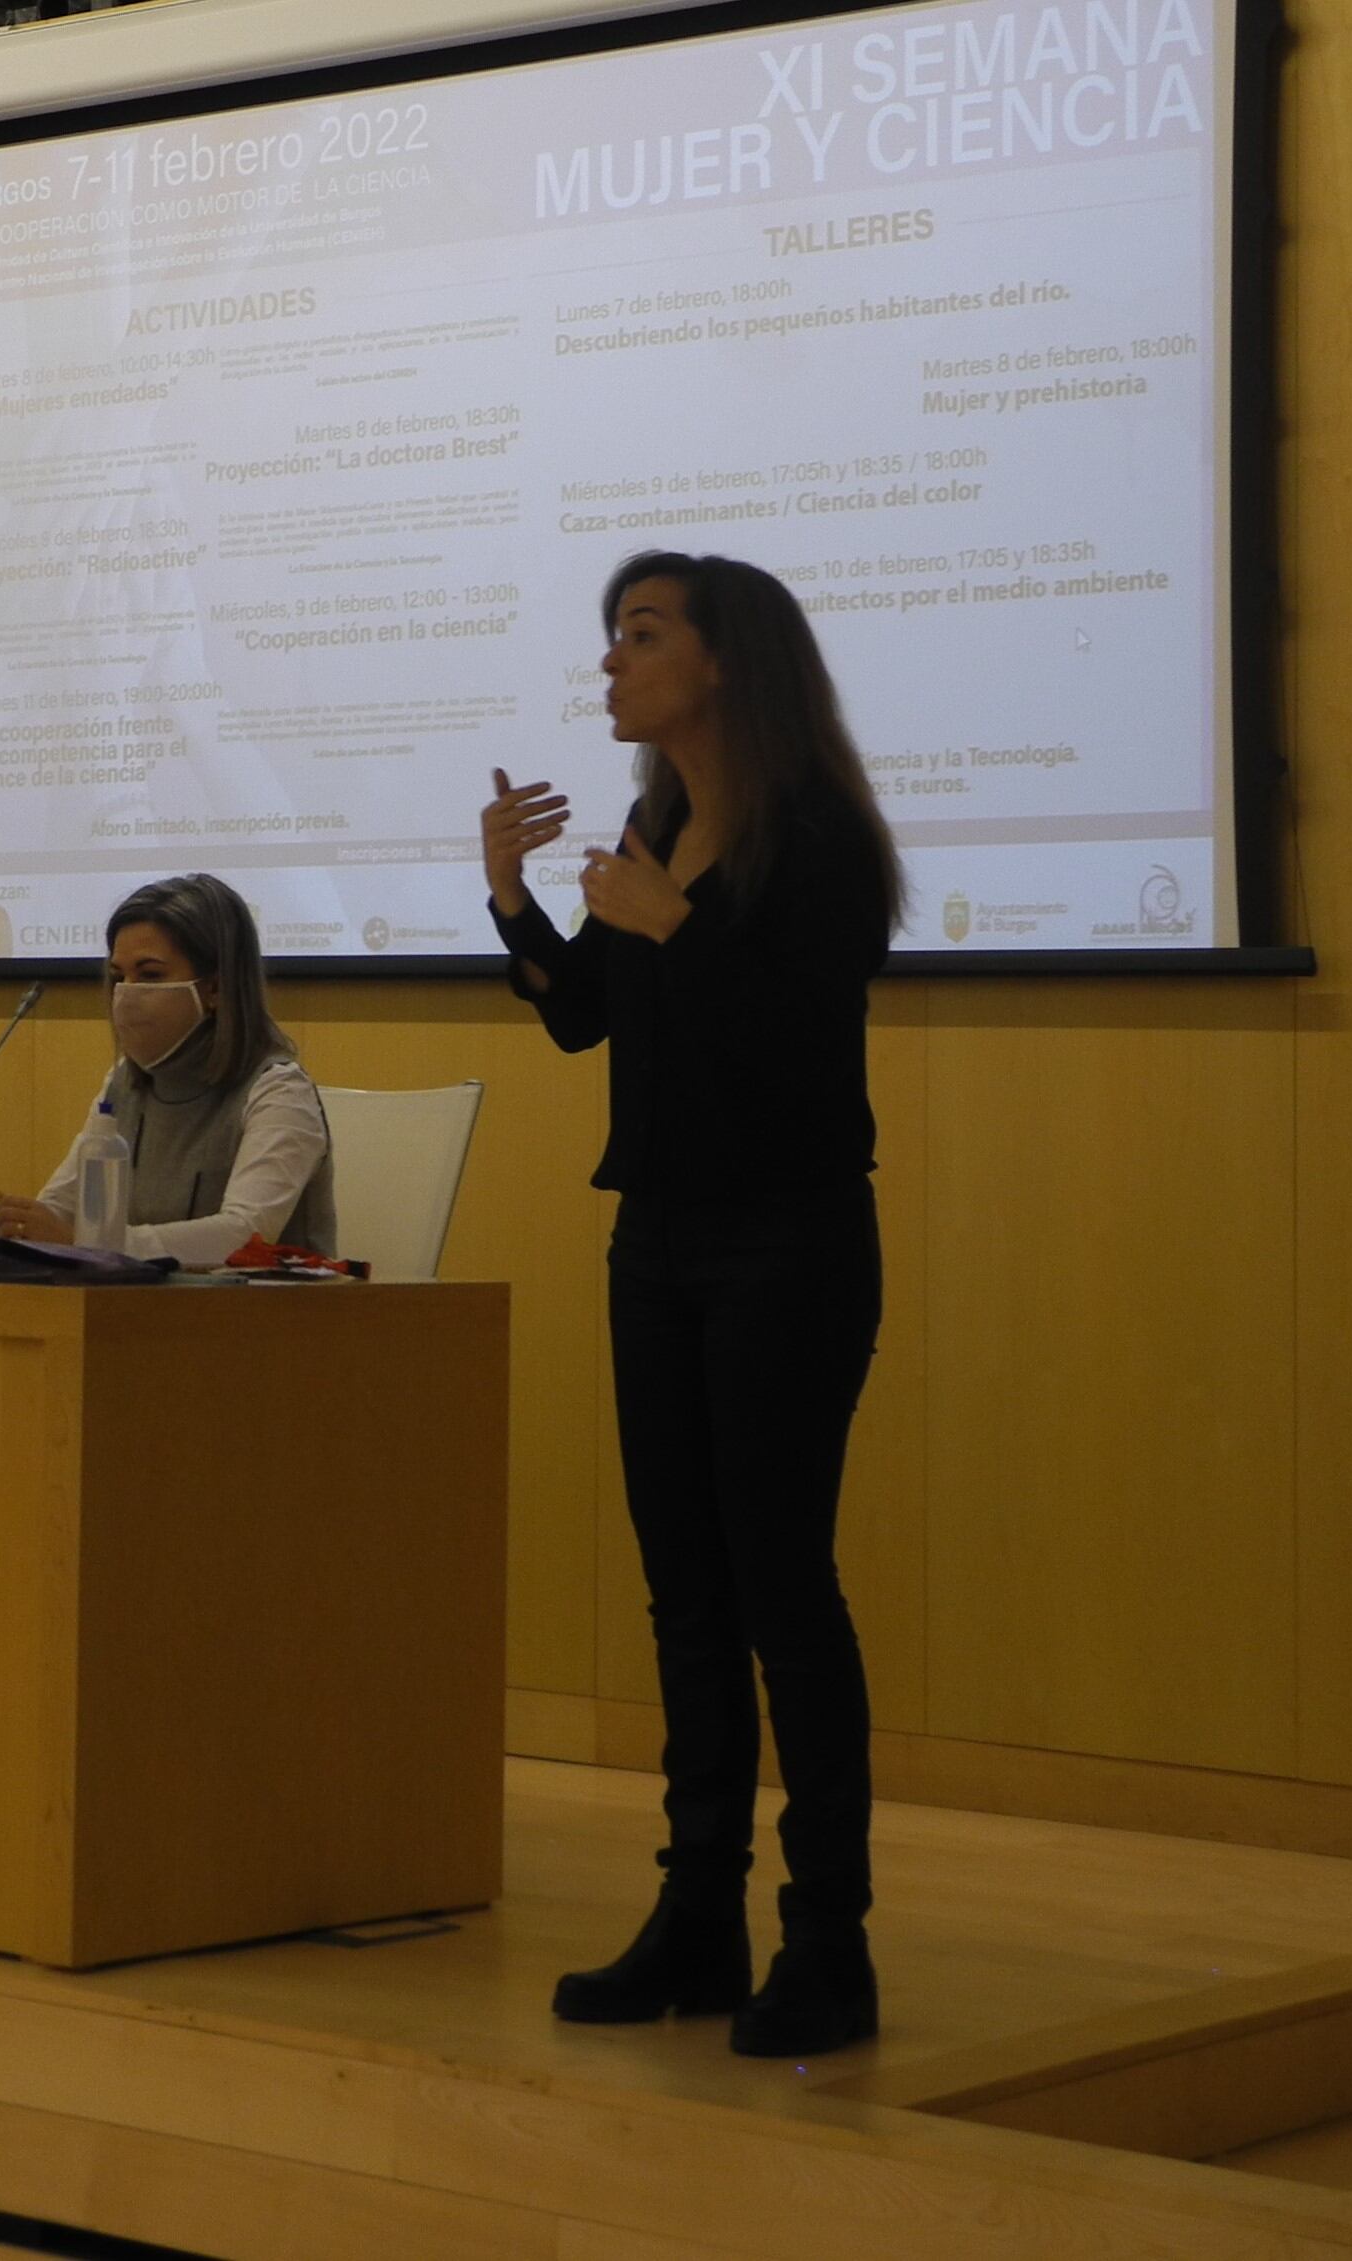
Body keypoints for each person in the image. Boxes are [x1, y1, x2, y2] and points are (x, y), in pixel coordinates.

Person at [481, 552, 904, 2059]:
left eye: (639, 636)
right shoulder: (656, 833)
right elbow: (580, 1020)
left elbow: (800, 1054)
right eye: (610, 638)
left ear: (725, 662)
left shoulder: (819, 842)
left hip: (786, 1244)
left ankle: (828, 1943)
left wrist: (675, 930)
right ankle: (696, 1918)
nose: (610, 665)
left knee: (782, 1589)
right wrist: (512, 898)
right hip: (652, 1245)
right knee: (685, 1595)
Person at [0, 873, 333, 1267]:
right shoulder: (123, 1082)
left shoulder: (278, 1090)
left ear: (216, 988)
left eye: (150, 975)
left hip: (260, 1319)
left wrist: (90, 1244)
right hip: (140, 1312)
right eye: (118, 977)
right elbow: (62, 1209)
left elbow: (244, 1233)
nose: (126, 993)